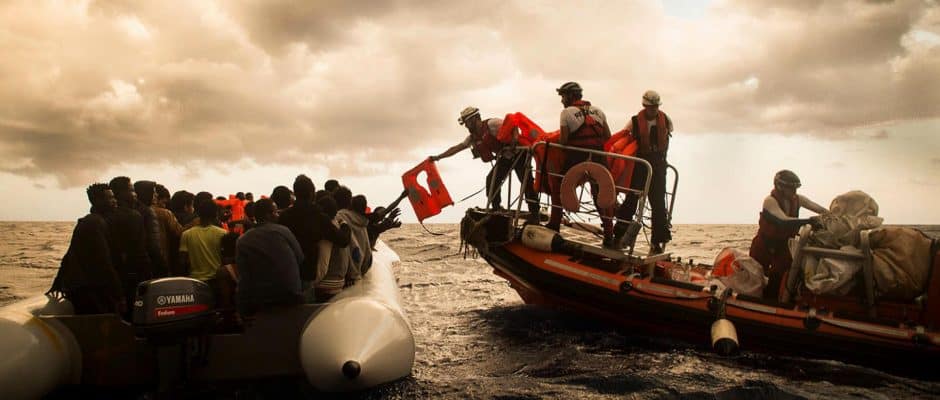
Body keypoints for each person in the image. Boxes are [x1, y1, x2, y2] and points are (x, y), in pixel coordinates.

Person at [432, 107, 539, 219]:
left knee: (526, 183)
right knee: (491, 180)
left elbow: (513, 125)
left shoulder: (492, 123)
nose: (466, 126)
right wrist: (438, 157)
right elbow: (457, 148)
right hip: (506, 157)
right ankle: (496, 209)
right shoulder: (473, 137)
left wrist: (515, 139)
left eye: (467, 122)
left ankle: (535, 214)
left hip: (519, 152)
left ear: (475, 118)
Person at [548, 82, 614, 245]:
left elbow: (564, 140)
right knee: (601, 193)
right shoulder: (598, 111)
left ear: (570, 96)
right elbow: (607, 135)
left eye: (563, 96)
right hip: (599, 157)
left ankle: (554, 225)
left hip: (577, 157)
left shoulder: (566, 113)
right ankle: (609, 234)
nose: (562, 100)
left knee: (560, 186)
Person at [749, 170, 828, 299]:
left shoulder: (798, 199)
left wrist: (833, 214)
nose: (794, 191)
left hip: (783, 246)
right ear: (780, 186)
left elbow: (819, 209)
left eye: (796, 188)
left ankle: (774, 301)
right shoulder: (769, 201)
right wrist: (809, 221)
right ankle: (754, 300)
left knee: (780, 275)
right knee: (756, 275)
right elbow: (783, 221)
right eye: (791, 188)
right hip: (763, 245)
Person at [48, 183, 124, 314]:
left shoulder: (89, 221)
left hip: (82, 287)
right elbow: (104, 262)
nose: (115, 201)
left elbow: (69, 255)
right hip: (89, 290)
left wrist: (57, 283)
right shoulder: (95, 224)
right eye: (110, 198)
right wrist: (119, 294)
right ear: (98, 201)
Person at [614, 90, 674, 253]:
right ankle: (618, 235)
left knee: (658, 203)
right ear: (644, 106)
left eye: (655, 106)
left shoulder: (666, 120)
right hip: (640, 165)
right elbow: (625, 137)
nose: (653, 109)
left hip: (658, 166)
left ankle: (657, 242)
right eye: (650, 106)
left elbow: (667, 139)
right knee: (631, 200)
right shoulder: (634, 122)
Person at [278, 175, 351, 295]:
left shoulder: (284, 216)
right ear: (312, 194)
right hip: (307, 273)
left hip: (286, 271)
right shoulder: (318, 217)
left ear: (295, 193)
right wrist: (344, 225)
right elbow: (343, 241)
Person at [236, 199, 304, 314]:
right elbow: (300, 258)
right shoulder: (283, 231)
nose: (278, 215)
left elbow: (244, 275)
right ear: (268, 215)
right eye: (276, 212)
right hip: (291, 293)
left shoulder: (243, 240)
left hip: (262, 298)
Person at [108, 176, 151, 310]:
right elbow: (140, 250)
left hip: (112, 274)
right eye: (132, 190)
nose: (135, 194)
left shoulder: (106, 216)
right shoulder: (133, 216)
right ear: (121, 194)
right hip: (131, 274)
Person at [179, 200, 228, 282]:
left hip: (195, 280)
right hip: (217, 279)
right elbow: (225, 259)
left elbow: (182, 261)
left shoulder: (186, 234)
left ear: (198, 214)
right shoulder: (223, 233)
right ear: (216, 214)